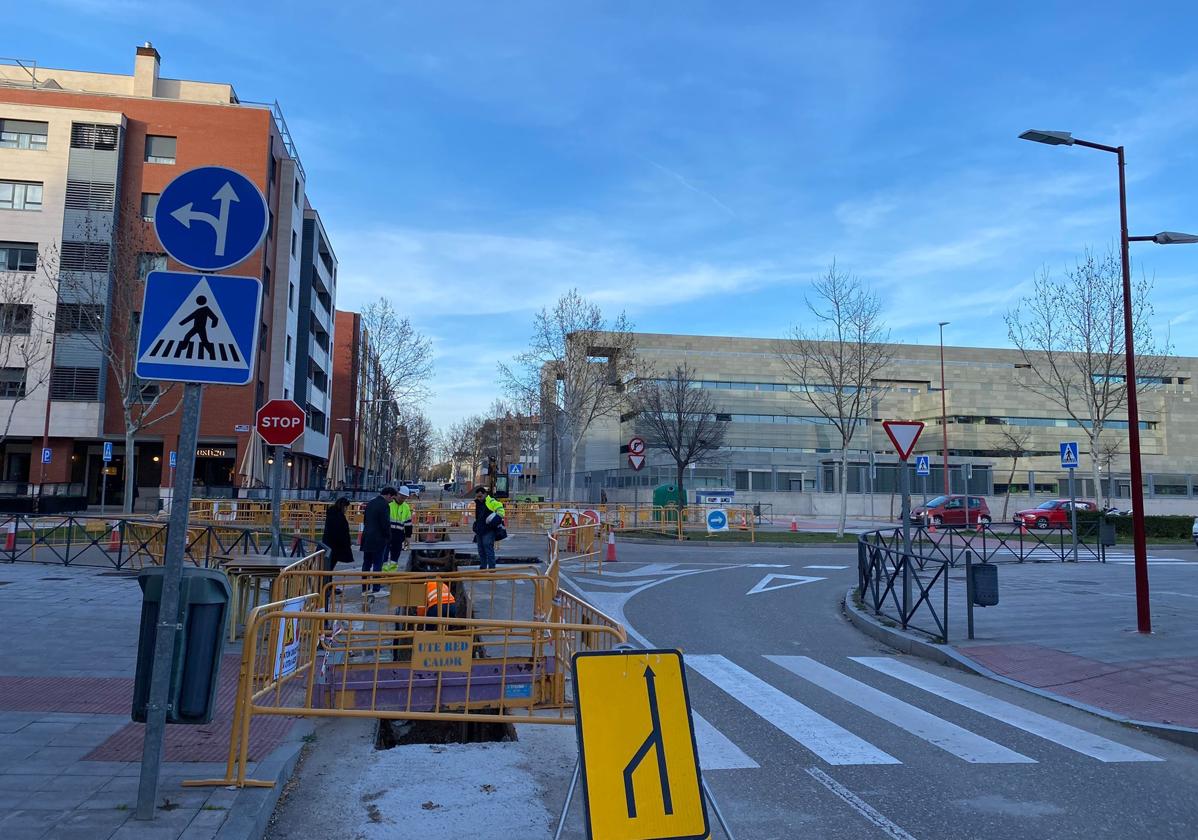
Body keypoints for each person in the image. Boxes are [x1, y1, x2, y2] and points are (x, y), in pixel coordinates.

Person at [361, 486, 397, 594]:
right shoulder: (384, 506)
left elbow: (365, 519)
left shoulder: (370, 503)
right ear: (388, 495)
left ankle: (365, 589)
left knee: (366, 564)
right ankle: (376, 589)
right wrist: (388, 537)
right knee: (377, 564)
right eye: (392, 499)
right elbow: (385, 523)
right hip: (379, 539)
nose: (391, 501)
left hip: (367, 537)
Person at [472, 486, 505, 570]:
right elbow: (478, 517)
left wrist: (496, 519)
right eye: (477, 497)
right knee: (481, 550)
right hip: (480, 530)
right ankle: (483, 567)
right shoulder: (478, 503)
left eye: (480, 496)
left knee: (488, 549)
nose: (479, 498)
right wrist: (476, 526)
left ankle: (491, 569)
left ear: (485, 494)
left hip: (489, 530)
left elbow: (501, 510)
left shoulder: (491, 501)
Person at [321, 497, 353, 572]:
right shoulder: (339, 517)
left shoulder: (332, 514)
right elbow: (341, 532)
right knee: (330, 566)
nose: (346, 509)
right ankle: (326, 581)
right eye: (346, 507)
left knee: (328, 565)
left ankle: (326, 581)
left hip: (329, 543)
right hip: (335, 545)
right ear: (343, 506)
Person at [388, 487, 414, 570]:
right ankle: (382, 573)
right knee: (384, 555)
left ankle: (391, 573)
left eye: (405, 497)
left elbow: (408, 524)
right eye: (401, 496)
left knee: (395, 556)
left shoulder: (406, 507)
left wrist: (408, 537)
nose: (403, 499)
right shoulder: (389, 504)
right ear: (397, 494)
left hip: (398, 536)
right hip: (387, 534)